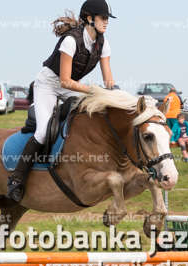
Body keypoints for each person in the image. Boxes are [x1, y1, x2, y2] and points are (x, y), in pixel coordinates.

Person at [7, 0, 117, 202]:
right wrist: (93, 90)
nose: (106, 22)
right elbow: (65, 80)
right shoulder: (71, 41)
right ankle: (16, 179)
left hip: (72, 87)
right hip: (48, 85)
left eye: (107, 18)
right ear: (90, 19)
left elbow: (108, 79)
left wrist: (114, 93)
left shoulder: (104, 43)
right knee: (42, 131)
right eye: (103, 18)